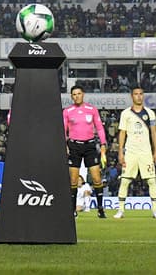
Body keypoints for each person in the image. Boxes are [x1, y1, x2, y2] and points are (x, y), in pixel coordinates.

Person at [115, 86, 156, 219]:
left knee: (152, 181)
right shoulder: (126, 114)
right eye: (136, 94)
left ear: (143, 95)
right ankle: (121, 211)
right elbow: (122, 133)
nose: (139, 96)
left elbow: (154, 133)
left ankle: (155, 211)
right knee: (125, 181)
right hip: (131, 152)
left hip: (146, 152)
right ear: (132, 96)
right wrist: (120, 152)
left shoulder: (150, 113)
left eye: (141, 94)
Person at [62, 85, 108, 218]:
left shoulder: (92, 109)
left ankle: (100, 209)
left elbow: (99, 128)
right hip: (74, 146)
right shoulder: (67, 111)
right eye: (74, 94)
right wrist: (65, 144)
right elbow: (63, 130)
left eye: (79, 93)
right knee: (74, 180)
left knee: (96, 178)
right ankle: (72, 210)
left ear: (83, 94)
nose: (77, 96)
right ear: (71, 96)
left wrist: (103, 144)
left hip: (90, 146)